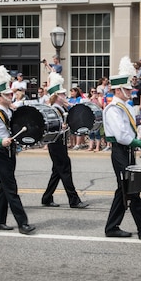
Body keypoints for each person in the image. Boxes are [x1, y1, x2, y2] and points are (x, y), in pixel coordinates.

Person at [103, 65, 141, 242]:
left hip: (128, 151)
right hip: (120, 152)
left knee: (124, 190)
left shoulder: (125, 107)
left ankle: (112, 227)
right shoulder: (113, 109)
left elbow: (130, 134)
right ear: (118, 90)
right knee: (132, 190)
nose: (130, 92)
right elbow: (121, 136)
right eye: (127, 89)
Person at [0, 68, 35, 234]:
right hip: (0, 153)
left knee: (3, 188)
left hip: (10, 152)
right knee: (11, 188)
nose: (11, 96)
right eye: (8, 95)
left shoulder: (8, 110)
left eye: (11, 94)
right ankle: (22, 223)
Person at [40, 74, 89, 209]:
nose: (65, 96)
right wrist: (60, 127)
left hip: (61, 143)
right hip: (56, 144)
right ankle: (74, 200)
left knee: (57, 171)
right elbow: (48, 126)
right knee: (65, 169)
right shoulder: (54, 109)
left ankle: (47, 197)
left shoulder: (62, 108)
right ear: (56, 96)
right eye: (62, 94)